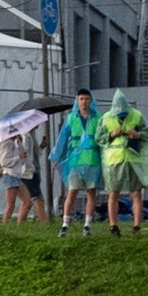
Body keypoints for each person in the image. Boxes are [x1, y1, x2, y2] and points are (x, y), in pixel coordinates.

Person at [98, 87, 148, 235]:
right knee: (113, 193)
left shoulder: (136, 115)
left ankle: (136, 226)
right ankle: (113, 226)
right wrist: (111, 135)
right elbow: (99, 138)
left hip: (134, 158)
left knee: (136, 193)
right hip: (114, 161)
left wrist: (138, 134)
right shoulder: (106, 117)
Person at [49, 89, 103, 238]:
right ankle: (65, 225)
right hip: (75, 161)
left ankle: (87, 225)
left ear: (91, 101)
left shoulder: (98, 118)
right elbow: (63, 139)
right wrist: (57, 157)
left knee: (91, 193)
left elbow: (102, 139)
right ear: (77, 101)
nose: (84, 102)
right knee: (72, 192)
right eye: (81, 99)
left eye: (86, 99)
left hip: (92, 160)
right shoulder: (71, 118)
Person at [0, 129, 37, 221]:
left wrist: (21, 149)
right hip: (10, 175)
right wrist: (18, 157)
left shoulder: (15, 142)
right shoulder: (8, 143)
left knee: (27, 202)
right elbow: (4, 162)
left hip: (16, 175)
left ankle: (19, 225)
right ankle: (4, 226)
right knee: (11, 205)